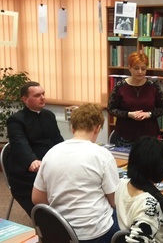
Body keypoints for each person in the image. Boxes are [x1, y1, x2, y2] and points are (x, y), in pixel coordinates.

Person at [32, 103, 120, 242]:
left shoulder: (51, 153)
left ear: (72, 128)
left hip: (59, 231)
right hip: (95, 234)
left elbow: (37, 198)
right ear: (97, 129)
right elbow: (115, 201)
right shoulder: (102, 154)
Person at [6, 81, 63, 217]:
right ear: (25, 99)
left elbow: (57, 139)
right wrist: (32, 161)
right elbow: (20, 144)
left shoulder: (49, 115)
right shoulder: (16, 120)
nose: (42, 98)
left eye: (43, 94)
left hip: (50, 163)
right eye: (37, 95)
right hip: (28, 169)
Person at [108, 52, 163, 147]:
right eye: (136, 68)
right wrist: (129, 114)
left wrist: (148, 114)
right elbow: (111, 109)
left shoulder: (153, 86)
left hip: (149, 135)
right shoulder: (120, 86)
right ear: (129, 68)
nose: (140, 72)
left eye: (143, 69)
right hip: (125, 135)